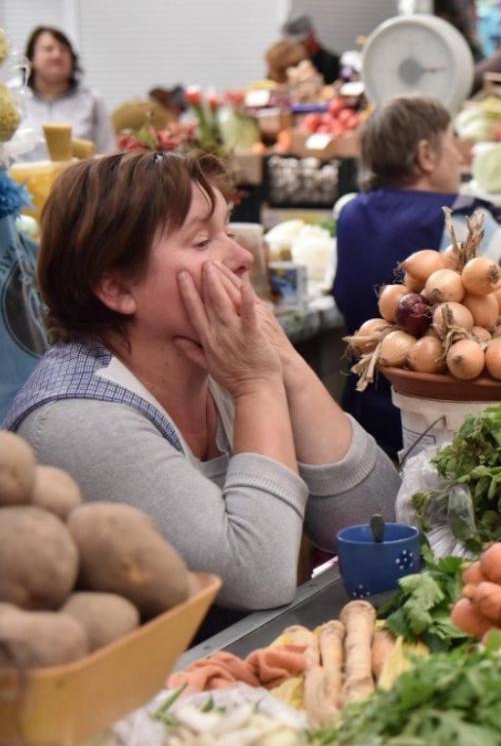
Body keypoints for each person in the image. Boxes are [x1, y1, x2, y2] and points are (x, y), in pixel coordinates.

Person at [2, 152, 399, 626]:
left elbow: (379, 526)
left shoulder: (217, 362)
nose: (241, 257)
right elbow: (257, 577)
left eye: (228, 231)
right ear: (116, 287)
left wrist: (285, 365)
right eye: (201, 240)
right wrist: (257, 386)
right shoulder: (76, 421)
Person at [332, 97, 496, 456]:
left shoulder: (348, 212)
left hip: (360, 412)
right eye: (451, 142)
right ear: (426, 155)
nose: (460, 156)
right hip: (434, 421)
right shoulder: (467, 220)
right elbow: (492, 312)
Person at [14, 26, 115, 163]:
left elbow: (109, 154)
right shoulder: (13, 100)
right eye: (48, 49)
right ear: (31, 59)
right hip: (18, 183)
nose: (57, 55)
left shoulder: (92, 100)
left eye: (63, 50)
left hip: (77, 182)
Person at [281, 11, 342, 84]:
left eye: (301, 42)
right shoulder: (285, 61)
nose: (297, 46)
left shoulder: (331, 62)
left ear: (312, 34)